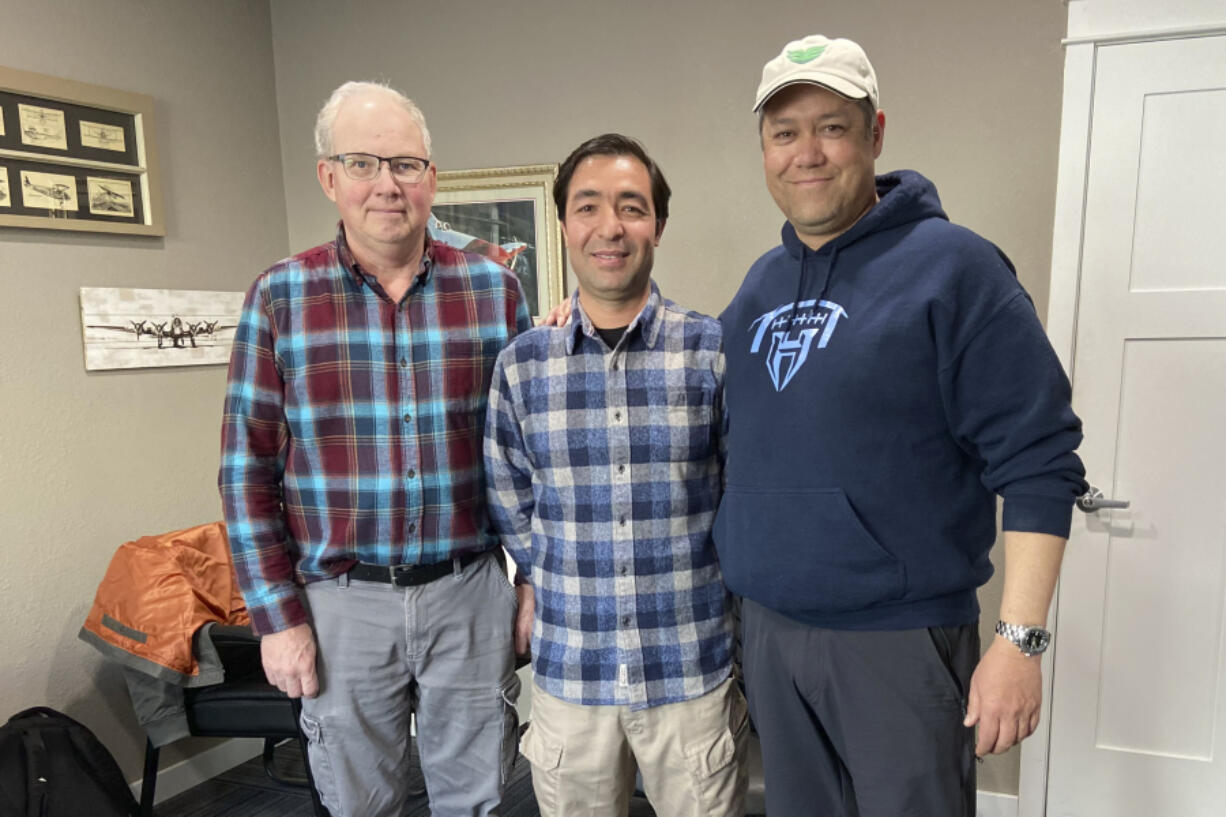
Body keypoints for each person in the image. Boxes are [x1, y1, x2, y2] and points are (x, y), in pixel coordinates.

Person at [710, 34, 1088, 816]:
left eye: (831, 126)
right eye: (784, 133)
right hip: (773, 638)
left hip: (898, 640)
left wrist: (1019, 643)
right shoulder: (758, 288)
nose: (805, 152)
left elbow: (1040, 461)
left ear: (875, 134)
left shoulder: (956, 269)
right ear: (764, 150)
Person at [219, 80, 531, 817]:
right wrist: (278, 618)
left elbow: (528, 453)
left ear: (432, 178)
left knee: (479, 798)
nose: (387, 185)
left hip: (469, 590)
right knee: (360, 803)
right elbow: (246, 473)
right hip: (339, 602)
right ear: (329, 177)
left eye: (406, 164)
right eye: (363, 163)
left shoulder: (494, 293)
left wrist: (534, 580)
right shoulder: (279, 298)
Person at [484, 133, 748, 817]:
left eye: (631, 207)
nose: (610, 227)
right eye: (589, 207)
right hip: (572, 672)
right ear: (565, 223)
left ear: (657, 223)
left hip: (690, 666)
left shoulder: (711, 351)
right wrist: (544, 576)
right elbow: (508, 491)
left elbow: (742, 491)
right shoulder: (523, 365)